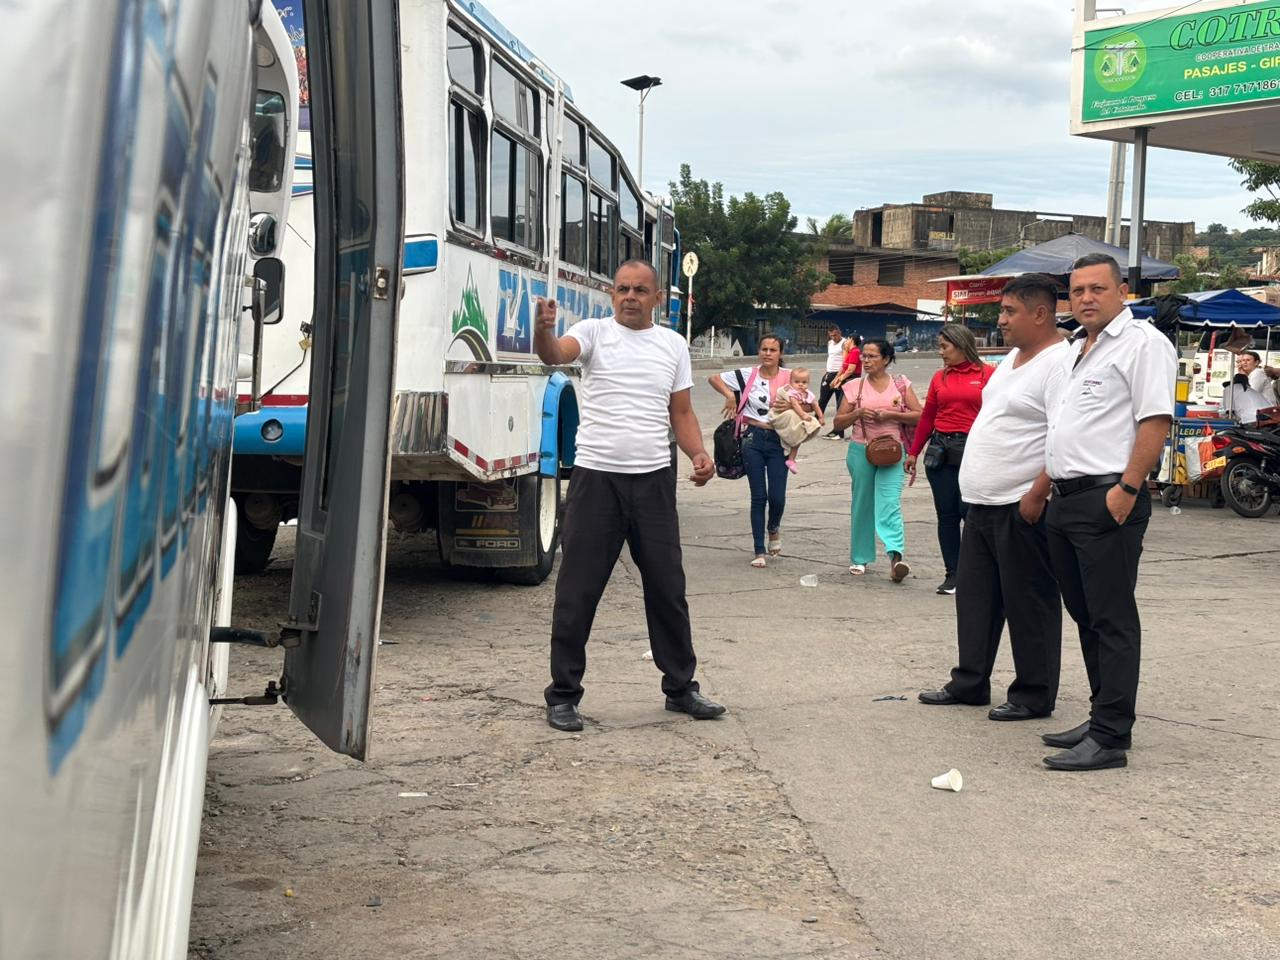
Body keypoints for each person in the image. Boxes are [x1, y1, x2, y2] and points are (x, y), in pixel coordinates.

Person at [533, 260, 725, 732]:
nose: (630, 296)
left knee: (667, 589)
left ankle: (681, 689)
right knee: (578, 590)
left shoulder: (672, 345)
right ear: (612, 294)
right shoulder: (594, 333)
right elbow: (556, 354)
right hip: (597, 480)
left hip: (654, 480)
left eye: (640, 290)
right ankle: (563, 696)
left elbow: (679, 411)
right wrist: (543, 331)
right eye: (622, 289)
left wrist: (699, 453)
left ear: (658, 298)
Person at [1038, 253, 1175, 771]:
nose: (1087, 298)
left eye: (1098, 289)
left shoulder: (1142, 344)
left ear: (1123, 292)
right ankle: (1099, 717)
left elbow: (1155, 420)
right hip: (1066, 500)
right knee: (1085, 614)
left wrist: (1127, 489)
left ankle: (1112, 736)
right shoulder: (1076, 348)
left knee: (1112, 618)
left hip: (1107, 499)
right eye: (1078, 291)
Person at [918, 274, 1066, 721]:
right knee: (976, 598)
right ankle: (970, 682)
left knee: (1029, 603)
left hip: (1020, 504)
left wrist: (1037, 493)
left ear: (1039, 314)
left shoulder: (1060, 363)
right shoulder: (1013, 360)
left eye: (1008, 312)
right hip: (981, 501)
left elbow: (1064, 435)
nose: (1000, 320)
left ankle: (1033, 694)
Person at [903, 324, 994, 594]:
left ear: (961, 344)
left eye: (945, 346)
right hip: (941, 449)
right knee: (947, 515)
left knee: (971, 513)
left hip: (973, 449)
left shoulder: (988, 375)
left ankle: (974, 572)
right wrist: (913, 452)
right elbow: (928, 416)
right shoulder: (939, 378)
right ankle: (952, 573)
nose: (940, 352)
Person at [832, 339, 922, 581]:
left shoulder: (900, 384)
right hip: (861, 450)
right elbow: (838, 423)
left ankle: (896, 558)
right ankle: (860, 558)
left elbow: (920, 416)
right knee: (862, 503)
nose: (866, 360)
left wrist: (891, 414)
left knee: (889, 503)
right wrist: (858, 412)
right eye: (864, 356)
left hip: (893, 452)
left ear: (886, 359)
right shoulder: (854, 387)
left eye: (872, 356)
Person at [708, 335, 791, 567]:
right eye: (764, 349)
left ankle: (773, 527)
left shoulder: (789, 377)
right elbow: (714, 378)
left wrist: (794, 405)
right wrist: (729, 395)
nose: (767, 353)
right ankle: (759, 550)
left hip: (780, 440)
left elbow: (806, 400)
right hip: (752, 439)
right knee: (758, 497)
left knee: (777, 497)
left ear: (780, 354)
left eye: (773, 350)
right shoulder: (749, 374)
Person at [769, 367, 824, 473]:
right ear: (791, 382)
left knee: (799, 434)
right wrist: (803, 415)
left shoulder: (808, 393)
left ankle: (791, 459)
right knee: (796, 431)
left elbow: (815, 404)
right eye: (797, 382)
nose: (800, 384)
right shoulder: (791, 392)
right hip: (783, 416)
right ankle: (790, 458)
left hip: (796, 417)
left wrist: (820, 416)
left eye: (804, 382)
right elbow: (794, 405)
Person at [824, 335, 862, 439]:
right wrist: (836, 378)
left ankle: (839, 432)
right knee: (842, 406)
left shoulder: (855, 352)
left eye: (848, 339)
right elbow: (844, 366)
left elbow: (851, 369)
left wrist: (840, 379)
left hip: (851, 380)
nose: (846, 341)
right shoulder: (850, 352)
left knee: (845, 407)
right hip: (846, 380)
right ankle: (839, 431)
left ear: (852, 340)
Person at [817, 325, 846, 428]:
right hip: (829, 373)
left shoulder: (845, 343)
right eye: (831, 336)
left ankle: (839, 428)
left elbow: (845, 361)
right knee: (822, 400)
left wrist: (839, 376)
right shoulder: (830, 343)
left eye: (835, 335)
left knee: (839, 402)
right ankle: (815, 423)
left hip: (839, 374)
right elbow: (830, 358)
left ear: (839, 333)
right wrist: (827, 372)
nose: (833, 338)